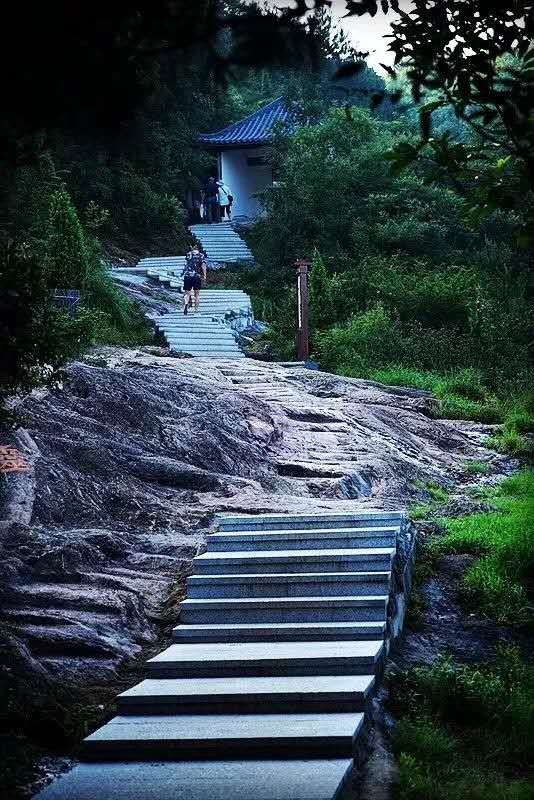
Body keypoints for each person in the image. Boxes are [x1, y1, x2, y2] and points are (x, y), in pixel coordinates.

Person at [182, 245, 207, 315]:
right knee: (197, 294)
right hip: (196, 276)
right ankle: (196, 310)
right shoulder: (201, 255)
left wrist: (183, 273)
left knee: (187, 293)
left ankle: (186, 304)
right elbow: (203, 266)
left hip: (187, 276)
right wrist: (204, 276)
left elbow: (186, 265)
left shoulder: (188, 254)